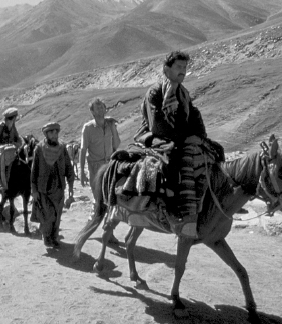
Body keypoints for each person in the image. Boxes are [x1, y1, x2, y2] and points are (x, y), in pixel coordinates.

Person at [134, 50, 208, 238]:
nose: (182, 71)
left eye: (184, 67)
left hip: (180, 138)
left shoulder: (183, 93)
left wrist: (199, 136)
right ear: (167, 69)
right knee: (172, 157)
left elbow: (194, 117)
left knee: (214, 150)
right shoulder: (155, 92)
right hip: (154, 136)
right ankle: (171, 207)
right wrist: (183, 139)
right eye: (178, 67)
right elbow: (157, 124)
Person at [31, 122, 75, 248]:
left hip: (59, 187)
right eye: (52, 132)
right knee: (47, 215)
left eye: (56, 132)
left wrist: (71, 184)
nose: (55, 134)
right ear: (46, 134)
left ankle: (54, 237)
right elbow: (34, 171)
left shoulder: (62, 148)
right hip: (43, 188)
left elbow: (68, 166)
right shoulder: (39, 148)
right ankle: (46, 236)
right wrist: (34, 190)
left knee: (57, 214)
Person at [79, 98, 121, 200]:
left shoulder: (110, 125)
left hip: (109, 164)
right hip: (95, 166)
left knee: (111, 195)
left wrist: (113, 128)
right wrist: (82, 172)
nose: (101, 109)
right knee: (98, 196)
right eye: (97, 108)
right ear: (92, 111)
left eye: (102, 107)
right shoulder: (88, 128)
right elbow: (83, 150)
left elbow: (116, 145)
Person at [0, 107, 23, 192]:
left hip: (11, 149)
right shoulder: (0, 127)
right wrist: (0, 146)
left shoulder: (13, 127)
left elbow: (18, 138)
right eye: (15, 117)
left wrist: (17, 144)